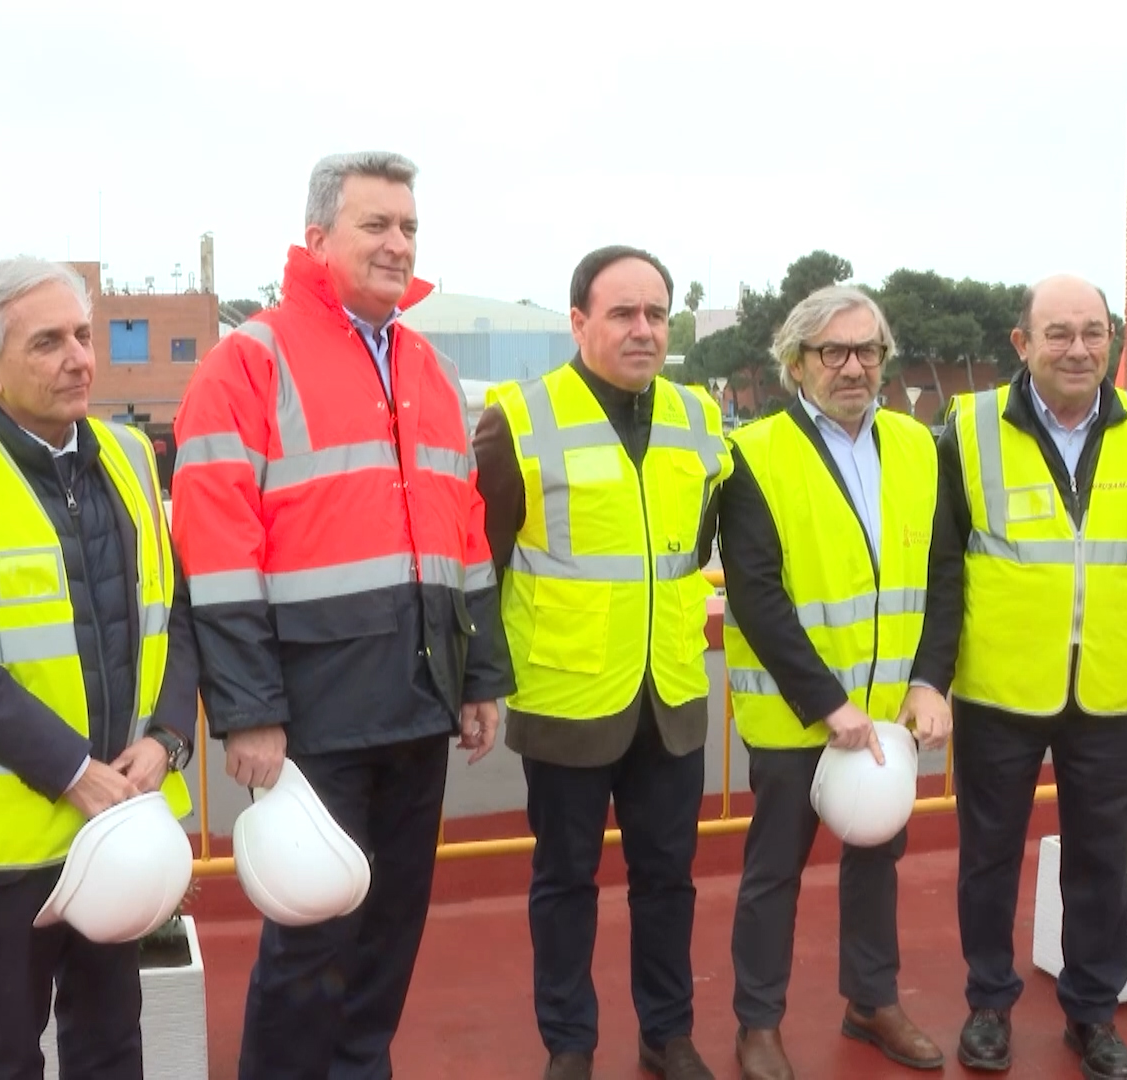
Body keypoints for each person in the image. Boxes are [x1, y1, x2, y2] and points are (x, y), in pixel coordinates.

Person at [171, 150, 513, 1080]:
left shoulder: (428, 368)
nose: (399, 243)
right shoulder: (248, 363)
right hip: (311, 718)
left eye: (409, 227)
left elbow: (465, 533)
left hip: (418, 702)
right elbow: (216, 555)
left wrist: (480, 678)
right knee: (310, 942)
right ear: (316, 237)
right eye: (377, 224)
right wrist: (249, 711)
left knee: (390, 936)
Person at [0, 257, 200, 1080]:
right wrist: (71, 770)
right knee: (7, 1052)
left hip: (123, 817)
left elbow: (172, 610)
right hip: (11, 839)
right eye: (48, 342)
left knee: (112, 1041)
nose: (79, 359)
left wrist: (167, 738)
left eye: (83, 337)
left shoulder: (131, 454)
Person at [905, 274, 1127, 1078]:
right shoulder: (968, 430)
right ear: (1021, 344)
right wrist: (933, 677)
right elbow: (944, 566)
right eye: (1057, 333)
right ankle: (989, 1005)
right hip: (1000, 687)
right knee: (989, 857)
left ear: (1112, 339)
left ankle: (1093, 1013)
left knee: (1102, 861)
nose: (1078, 349)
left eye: (1093, 332)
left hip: (1110, 686)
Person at [474, 245, 731, 1080]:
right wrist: (480, 682)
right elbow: (483, 563)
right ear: (579, 322)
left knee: (669, 879)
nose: (643, 329)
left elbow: (695, 545)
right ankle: (570, 1044)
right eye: (623, 313)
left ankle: (667, 1034)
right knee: (564, 882)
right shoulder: (519, 419)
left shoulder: (700, 417)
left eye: (656, 313)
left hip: (672, 693)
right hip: (567, 695)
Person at [717, 286, 947, 1078]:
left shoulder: (918, 445)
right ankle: (758, 1023)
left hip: (888, 713)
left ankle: (872, 1001)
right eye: (833, 352)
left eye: (868, 350)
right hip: (798, 717)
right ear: (796, 363)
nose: (854, 367)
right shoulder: (754, 454)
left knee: (877, 859)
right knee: (773, 874)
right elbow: (756, 593)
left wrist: (930, 681)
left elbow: (944, 573)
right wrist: (827, 704)